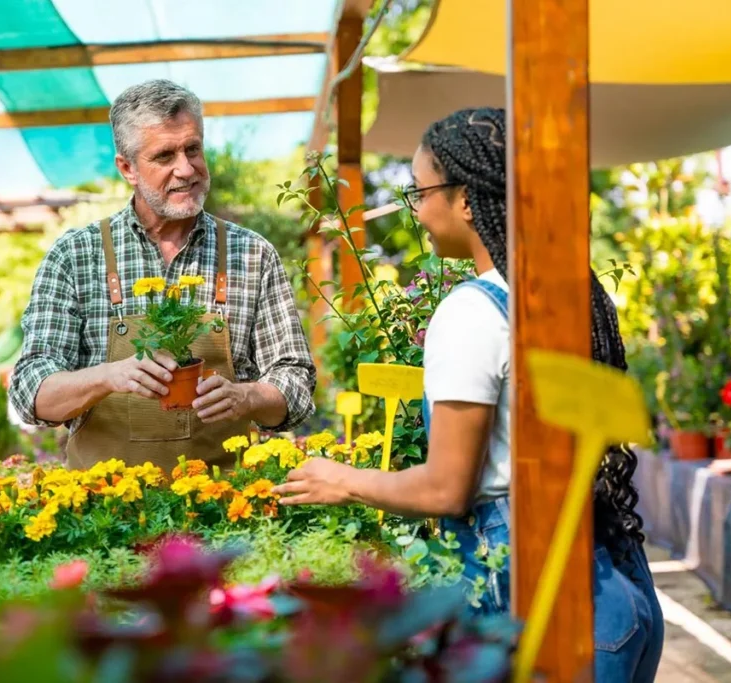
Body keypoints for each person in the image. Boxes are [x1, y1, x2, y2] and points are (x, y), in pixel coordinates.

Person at [273, 108, 664, 681]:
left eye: (420, 191)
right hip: (612, 583)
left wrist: (341, 479)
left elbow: (446, 488)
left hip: (534, 598)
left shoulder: (470, 312)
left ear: (463, 199)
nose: (417, 212)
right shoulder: (558, 292)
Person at [9, 79, 316, 472]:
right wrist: (108, 377)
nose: (186, 169)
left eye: (193, 149)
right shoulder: (75, 256)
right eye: (164, 156)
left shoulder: (251, 255)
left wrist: (248, 396)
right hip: (104, 514)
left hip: (224, 512)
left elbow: (296, 383)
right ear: (127, 168)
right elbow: (31, 392)